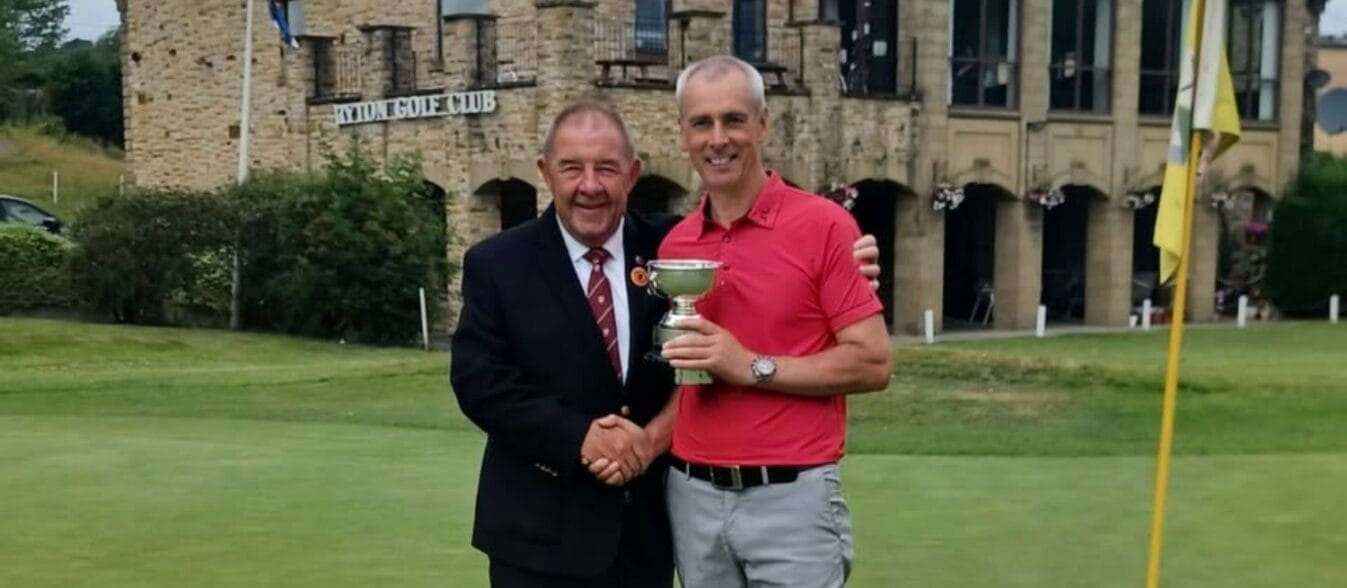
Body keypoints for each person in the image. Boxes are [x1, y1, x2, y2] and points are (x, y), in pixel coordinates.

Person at [450, 101, 882, 587]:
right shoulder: (497, 263)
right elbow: (480, 384)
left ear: (632, 175)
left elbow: (765, 268)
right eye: (572, 168)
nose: (589, 186)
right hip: (536, 538)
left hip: (646, 537)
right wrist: (580, 438)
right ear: (545, 172)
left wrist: (850, 263)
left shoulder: (674, 249)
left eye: (607, 169)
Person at [657, 56, 893, 588]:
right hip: (692, 497)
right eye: (701, 123)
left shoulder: (825, 226)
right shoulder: (676, 248)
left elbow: (873, 362)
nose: (718, 139)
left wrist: (751, 366)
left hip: (791, 496)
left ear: (762, 124)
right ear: (683, 136)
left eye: (734, 120)